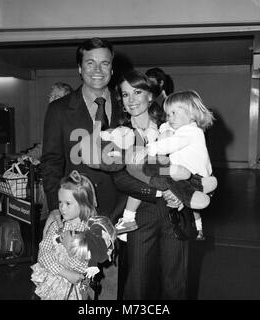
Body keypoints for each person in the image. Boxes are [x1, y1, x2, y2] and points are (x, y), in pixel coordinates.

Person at [40, 37, 123, 299]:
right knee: (76, 284)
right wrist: (56, 206)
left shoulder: (129, 106)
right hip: (75, 214)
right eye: (90, 63)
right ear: (79, 68)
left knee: (112, 283)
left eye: (104, 63)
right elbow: (52, 161)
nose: (97, 70)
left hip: (120, 211)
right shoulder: (59, 110)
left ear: (112, 68)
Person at [111, 69, 189, 299]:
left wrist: (182, 194)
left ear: (150, 95)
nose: (132, 100)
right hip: (139, 217)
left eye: (137, 92)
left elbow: (191, 165)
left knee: (176, 284)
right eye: (125, 95)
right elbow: (120, 178)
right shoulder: (120, 133)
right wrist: (161, 190)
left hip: (175, 213)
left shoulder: (172, 125)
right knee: (138, 285)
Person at [116, 90, 217, 240]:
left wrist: (148, 149)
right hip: (178, 181)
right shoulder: (178, 128)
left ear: (192, 113)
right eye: (168, 114)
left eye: (174, 113)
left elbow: (171, 144)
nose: (169, 117)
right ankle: (130, 217)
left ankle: (187, 198)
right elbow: (166, 130)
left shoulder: (191, 132)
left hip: (189, 178)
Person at [31, 170, 98, 300]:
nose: (62, 208)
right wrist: (65, 273)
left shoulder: (89, 232)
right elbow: (43, 253)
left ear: (83, 204)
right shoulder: (57, 225)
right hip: (53, 287)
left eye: (68, 203)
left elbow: (85, 267)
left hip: (76, 291)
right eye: (60, 202)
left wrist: (70, 248)